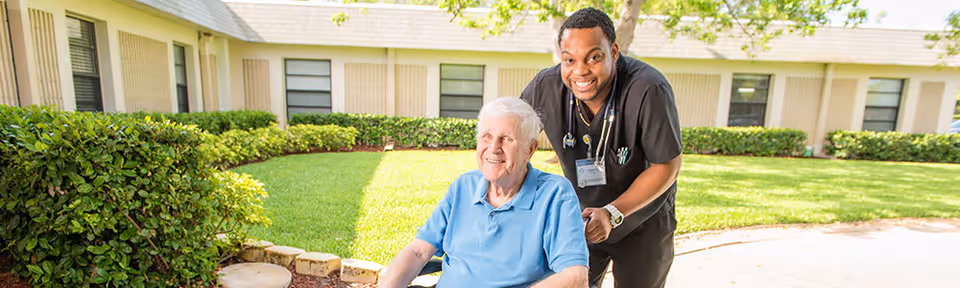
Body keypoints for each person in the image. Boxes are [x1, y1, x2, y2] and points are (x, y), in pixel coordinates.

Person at [519, 7, 683, 288]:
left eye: (593, 57)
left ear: (614, 52)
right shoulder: (545, 87)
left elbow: (666, 165)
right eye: (569, 60)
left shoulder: (648, 89)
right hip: (580, 220)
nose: (580, 71)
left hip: (642, 221)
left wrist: (612, 213)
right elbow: (511, 134)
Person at [378, 98, 589, 288]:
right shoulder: (464, 187)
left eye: (506, 139)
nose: (493, 148)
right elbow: (418, 251)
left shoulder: (554, 194)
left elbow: (574, 276)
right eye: (487, 136)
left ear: (530, 149)